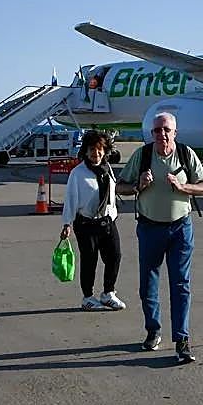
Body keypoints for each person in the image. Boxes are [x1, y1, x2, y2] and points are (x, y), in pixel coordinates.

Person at [116, 111, 203, 364]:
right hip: (150, 228)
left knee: (180, 285)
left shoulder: (185, 154)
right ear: (152, 134)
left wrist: (183, 187)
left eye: (166, 130)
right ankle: (153, 329)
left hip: (180, 229)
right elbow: (120, 187)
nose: (162, 135)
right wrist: (138, 185)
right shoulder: (142, 155)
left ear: (175, 132)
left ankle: (182, 340)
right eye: (157, 130)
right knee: (147, 285)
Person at [60, 130, 126, 311]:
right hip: (86, 224)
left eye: (99, 150)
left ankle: (108, 293)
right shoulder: (78, 173)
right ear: (85, 151)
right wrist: (67, 223)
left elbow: (111, 193)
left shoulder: (107, 168)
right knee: (89, 261)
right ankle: (87, 297)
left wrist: (112, 215)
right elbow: (71, 198)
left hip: (107, 222)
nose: (95, 154)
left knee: (114, 256)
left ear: (105, 151)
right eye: (91, 150)